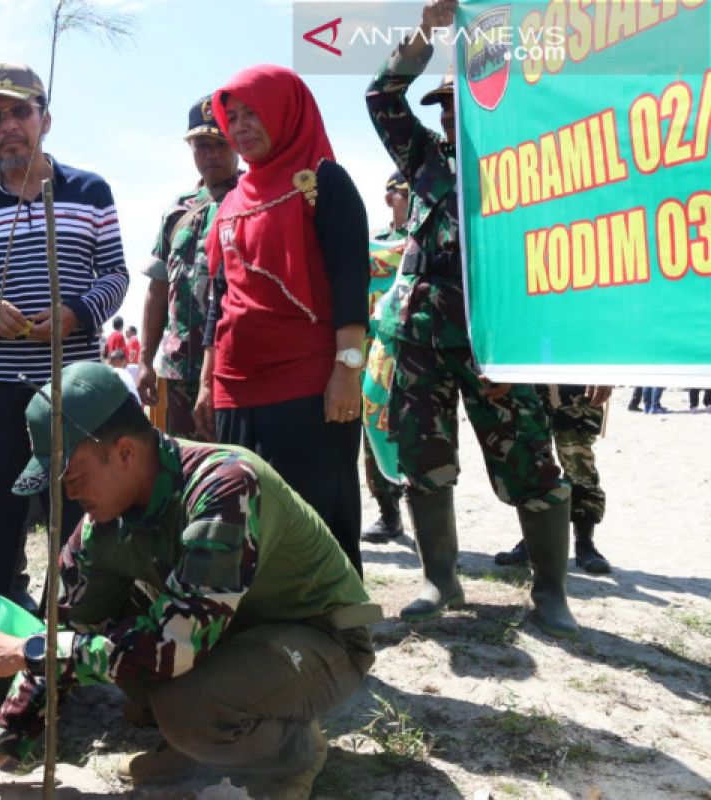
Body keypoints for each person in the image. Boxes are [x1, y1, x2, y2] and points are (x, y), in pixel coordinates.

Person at [0, 362, 379, 798]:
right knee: (120, 641)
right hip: (236, 636)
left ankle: (289, 754)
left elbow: (173, 648)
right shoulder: (101, 530)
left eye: (75, 476)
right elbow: (61, 634)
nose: (69, 493)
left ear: (124, 451)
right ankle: (198, 746)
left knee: (185, 707)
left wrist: (27, 651)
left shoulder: (224, 487)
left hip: (323, 637)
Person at [367, 0, 577, 637]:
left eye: (460, 102)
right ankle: (440, 577)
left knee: (532, 464)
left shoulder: (531, 165)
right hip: (424, 340)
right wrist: (427, 31)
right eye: (445, 106)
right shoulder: (426, 162)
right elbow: (383, 97)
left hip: (500, 343)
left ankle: (551, 592)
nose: (452, 114)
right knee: (423, 461)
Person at [0, 62, 128, 633]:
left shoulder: (90, 191)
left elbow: (114, 274)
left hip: (73, 389)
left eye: (20, 112)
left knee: (79, 515)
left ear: (46, 118)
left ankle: (73, 639)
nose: (8, 126)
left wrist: (78, 312)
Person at [195, 64, 371, 576]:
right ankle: (263, 636)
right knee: (244, 518)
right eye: (235, 116)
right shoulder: (231, 202)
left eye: (254, 113)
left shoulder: (323, 182)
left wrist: (348, 372)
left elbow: (350, 284)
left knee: (316, 518)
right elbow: (220, 298)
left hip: (308, 385)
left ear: (285, 111)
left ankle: (336, 637)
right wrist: (208, 378)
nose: (242, 126)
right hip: (236, 389)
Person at [137, 95, 241, 439]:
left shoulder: (254, 199)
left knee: (237, 468)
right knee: (182, 466)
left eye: (219, 144)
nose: (211, 154)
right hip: (179, 369)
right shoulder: (177, 212)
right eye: (201, 145)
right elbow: (157, 288)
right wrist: (144, 361)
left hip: (235, 369)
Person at [495, 385, 613, 574]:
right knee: (532, 462)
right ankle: (533, 542)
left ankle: (585, 543)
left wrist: (606, 374)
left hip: (577, 380)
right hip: (530, 380)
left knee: (579, 464)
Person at [362, 172, 410, 544]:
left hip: (415, 354)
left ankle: (425, 514)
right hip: (377, 357)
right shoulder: (375, 247)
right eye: (403, 193)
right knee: (374, 429)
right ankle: (388, 513)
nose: (409, 201)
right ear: (388, 197)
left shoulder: (427, 241)